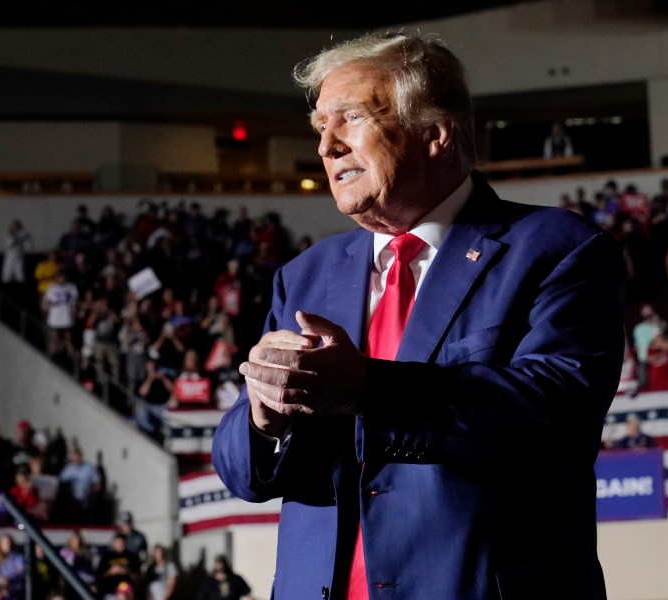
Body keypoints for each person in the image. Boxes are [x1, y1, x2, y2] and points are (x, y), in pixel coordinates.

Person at [211, 31, 625, 600]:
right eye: (320, 129)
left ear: (435, 133)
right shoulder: (306, 274)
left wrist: (368, 388)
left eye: (350, 118)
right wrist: (263, 413)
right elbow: (243, 474)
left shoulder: (556, 248)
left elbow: (556, 411)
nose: (327, 147)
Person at [0, 533, 25, 600]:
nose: (8, 545)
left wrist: (9, 578)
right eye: (5, 543)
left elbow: (21, 571)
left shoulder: (17, 557)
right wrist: (1, 580)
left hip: (16, 590)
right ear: (0, 544)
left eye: (9, 542)